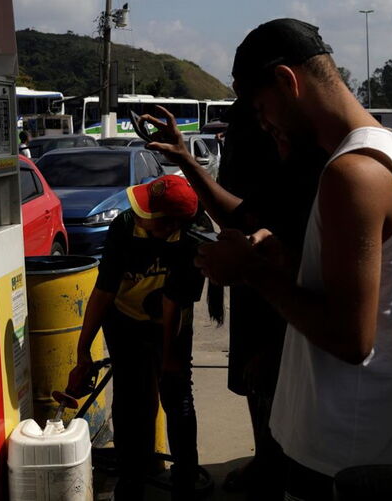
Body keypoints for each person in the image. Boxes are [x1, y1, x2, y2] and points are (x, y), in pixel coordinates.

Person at [188, 18, 392, 500]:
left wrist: (250, 270)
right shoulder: (381, 151)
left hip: (341, 457)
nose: (264, 125)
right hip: (350, 443)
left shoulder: (353, 174)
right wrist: (290, 262)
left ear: (287, 81)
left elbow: (351, 338)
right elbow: (365, 290)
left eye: (262, 108)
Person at [144, 98, 326, 499]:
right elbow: (237, 216)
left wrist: (275, 340)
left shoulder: (302, 164)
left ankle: (275, 462)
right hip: (249, 272)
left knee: (270, 382)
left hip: (273, 286)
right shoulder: (251, 134)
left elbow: (252, 221)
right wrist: (186, 158)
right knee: (252, 380)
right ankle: (266, 456)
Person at [66, 175, 203, 500]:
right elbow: (104, 291)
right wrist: (83, 352)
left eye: (148, 212)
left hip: (171, 323)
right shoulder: (125, 226)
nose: (137, 212)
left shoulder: (193, 236)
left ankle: (185, 481)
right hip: (124, 320)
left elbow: (174, 303)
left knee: (177, 396)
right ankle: (132, 481)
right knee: (131, 402)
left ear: (170, 224)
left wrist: (169, 362)